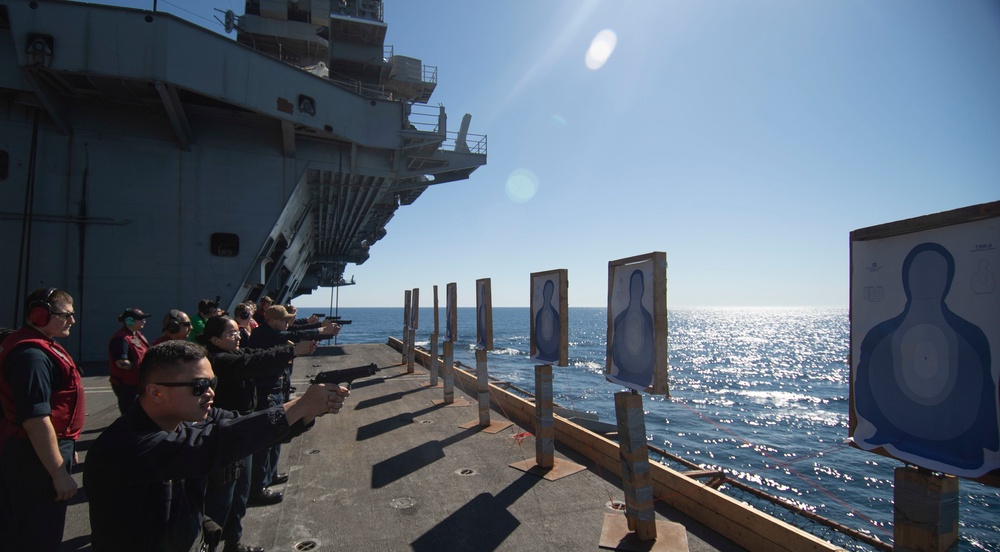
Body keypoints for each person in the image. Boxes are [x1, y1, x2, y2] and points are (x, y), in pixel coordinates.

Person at [84, 340, 348, 552]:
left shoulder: (185, 421)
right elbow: (209, 446)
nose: (210, 392)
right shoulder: (127, 445)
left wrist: (310, 410)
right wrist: (300, 405)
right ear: (156, 392)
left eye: (212, 383)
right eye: (199, 386)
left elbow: (244, 426)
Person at [199, 316, 318, 552]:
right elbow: (254, 363)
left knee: (239, 496)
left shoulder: (235, 353)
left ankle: (233, 543)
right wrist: (292, 352)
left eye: (238, 331)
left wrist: (292, 348)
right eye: (231, 333)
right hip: (226, 433)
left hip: (241, 426)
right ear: (214, 340)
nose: (238, 335)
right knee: (220, 502)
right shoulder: (219, 360)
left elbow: (258, 354)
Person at [0, 287, 86, 551]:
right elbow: (36, 420)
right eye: (66, 315)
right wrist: (58, 472)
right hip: (33, 458)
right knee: (39, 533)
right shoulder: (32, 356)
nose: (72, 320)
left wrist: (66, 449)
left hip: (43, 450)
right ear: (39, 315)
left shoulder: (37, 346)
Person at [246, 305, 340, 503]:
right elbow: (295, 336)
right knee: (265, 441)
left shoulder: (273, 332)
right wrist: (322, 331)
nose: (288, 324)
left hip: (277, 391)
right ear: (272, 321)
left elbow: (294, 334)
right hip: (267, 393)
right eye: (285, 320)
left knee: (277, 435)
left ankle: (270, 475)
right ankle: (257, 488)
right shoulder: (263, 334)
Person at [108, 307, 152, 415]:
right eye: (140, 319)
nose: (144, 321)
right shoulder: (121, 339)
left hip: (137, 382)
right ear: (129, 321)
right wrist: (137, 366)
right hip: (127, 385)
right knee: (130, 414)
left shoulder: (137, 335)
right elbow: (121, 362)